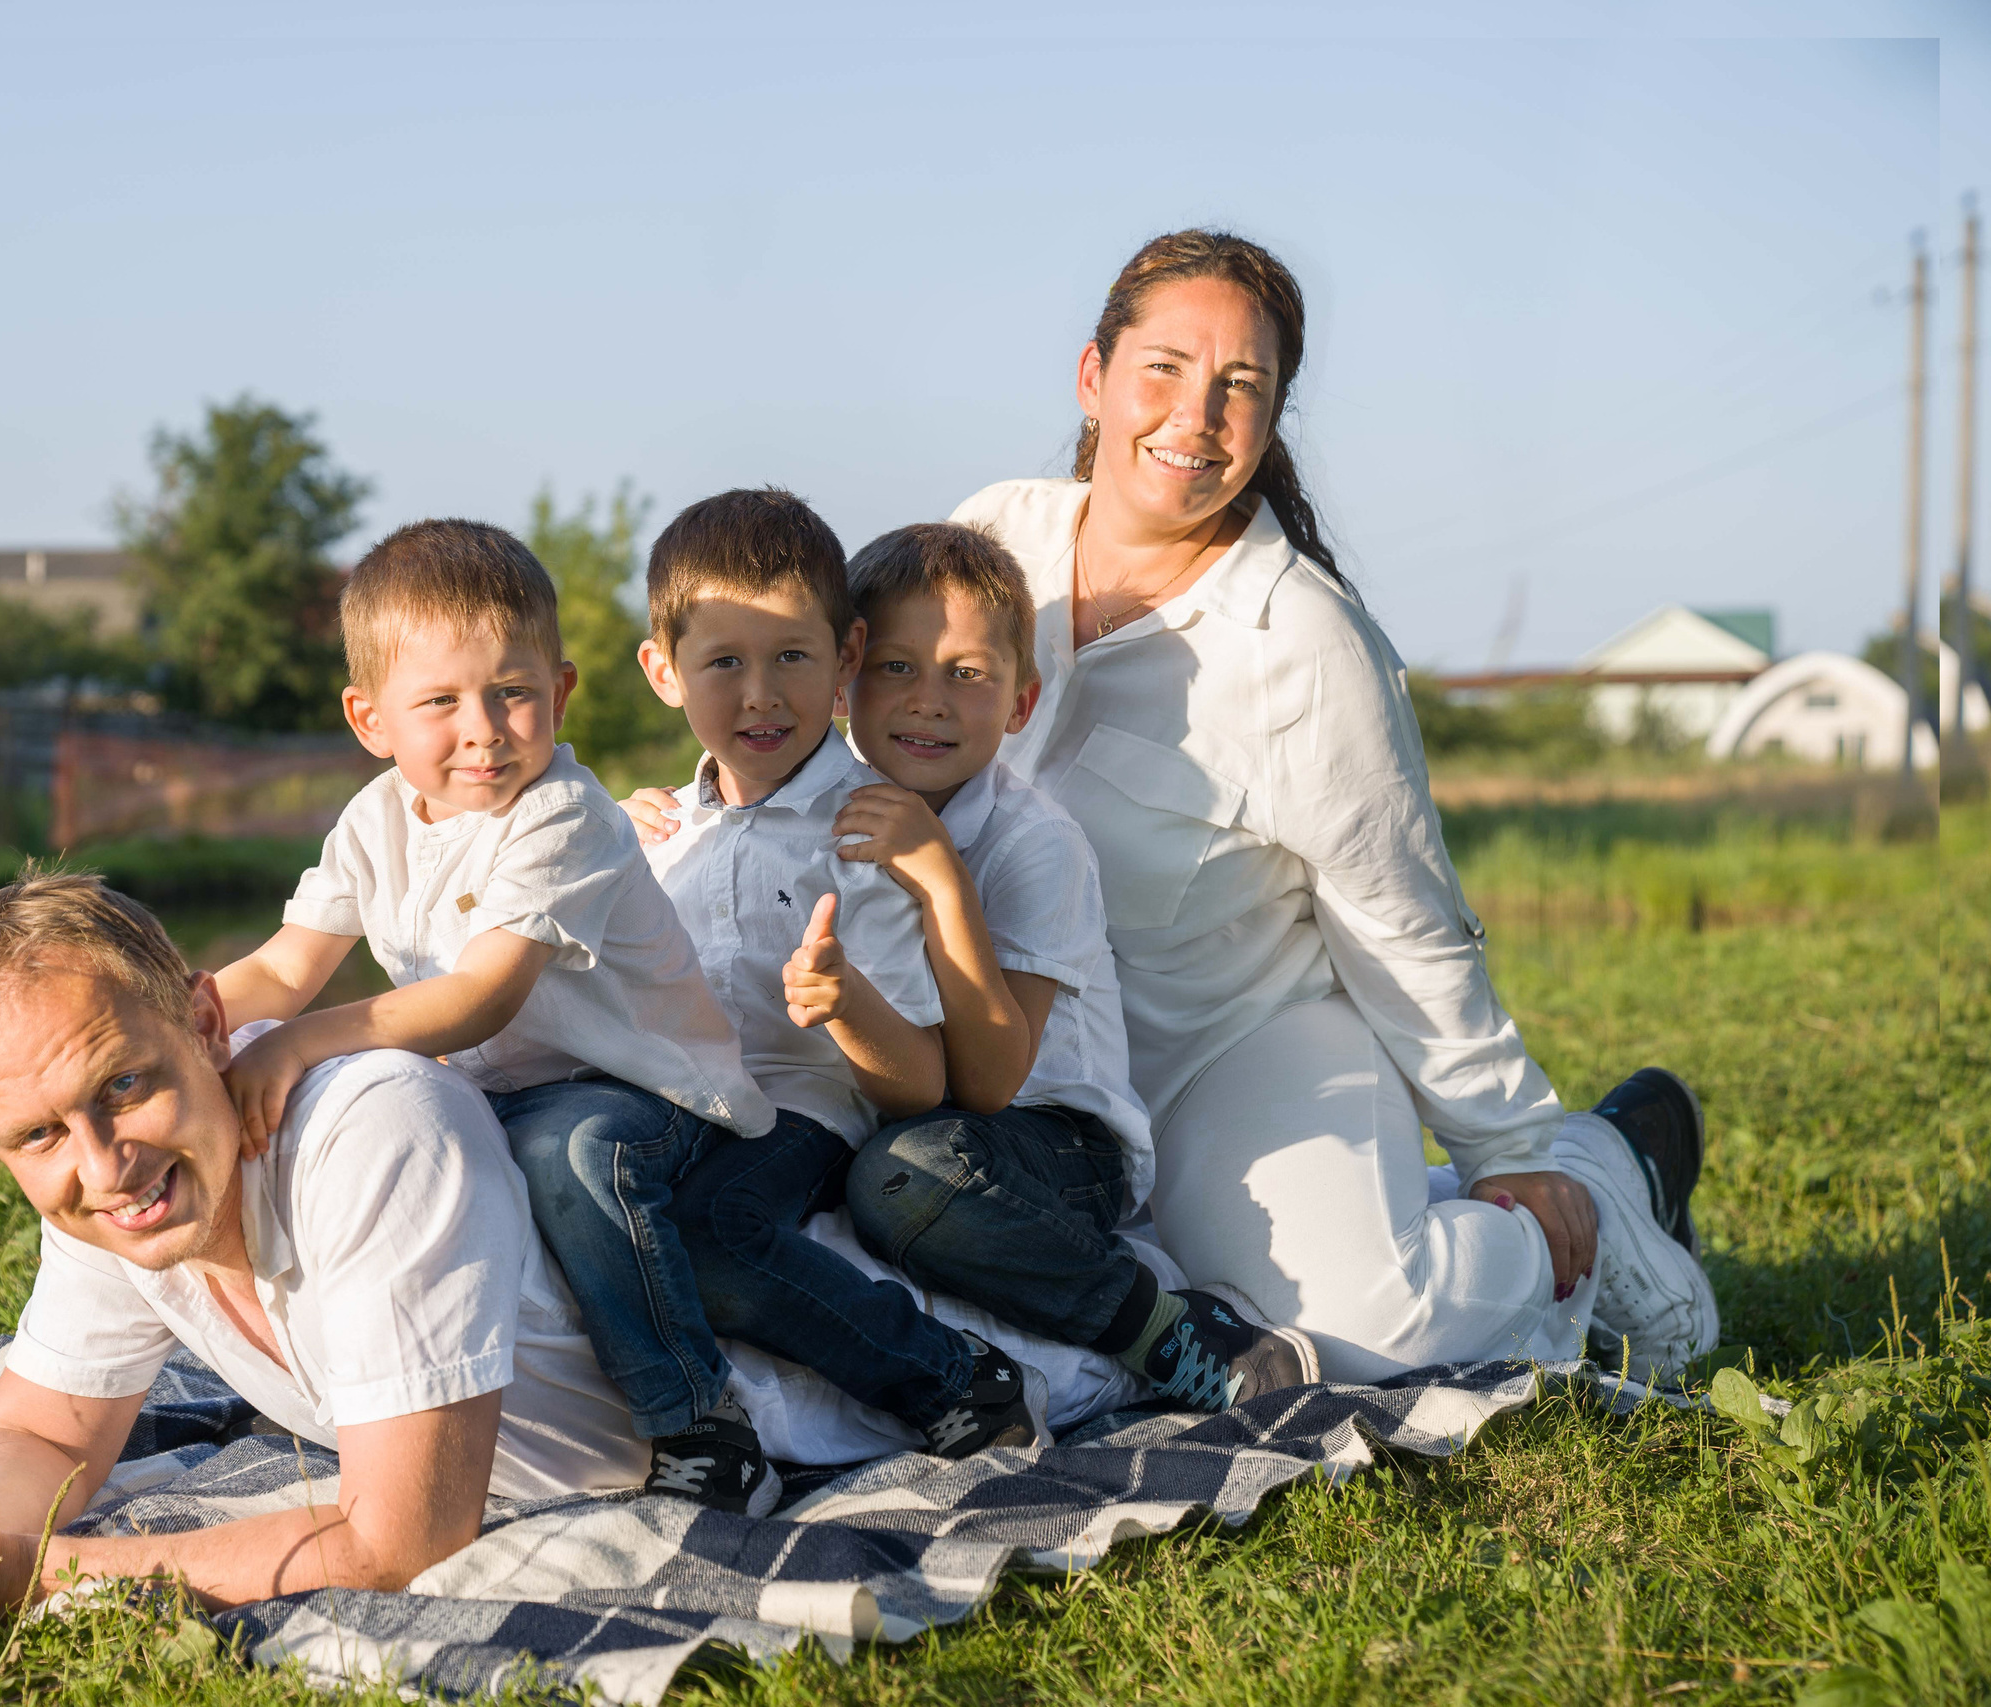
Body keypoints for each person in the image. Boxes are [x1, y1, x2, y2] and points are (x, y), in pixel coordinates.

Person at [950, 229, 1715, 1384]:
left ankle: (1588, 1198)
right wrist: (708, 805)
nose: (1195, 415)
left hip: (1230, 1048)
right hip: (1018, 1061)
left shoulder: (1308, 647)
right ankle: (1440, 1199)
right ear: (1091, 378)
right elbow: (852, 716)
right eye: (1162, 368)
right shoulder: (991, 538)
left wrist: (1509, 1146)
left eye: (1239, 386)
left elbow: (1400, 914)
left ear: (1270, 420)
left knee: (1362, 1330)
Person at [0, 871, 651, 1624]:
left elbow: (402, 1543)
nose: (103, 1165)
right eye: (38, 1134)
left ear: (206, 1024)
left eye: (123, 1084)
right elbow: (46, 1432)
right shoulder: (117, 1194)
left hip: (716, 1447)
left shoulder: (377, 1129)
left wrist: (21, 1569)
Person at [209, 519, 789, 1515]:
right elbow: (284, 965)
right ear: (370, 719)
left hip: (642, 1092)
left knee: (565, 1160)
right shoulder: (375, 818)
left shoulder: (562, 815)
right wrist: (175, 1023)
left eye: (509, 694)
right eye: (438, 702)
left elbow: (483, 998)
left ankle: (697, 1419)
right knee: (329, 1129)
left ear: (557, 693)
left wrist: (302, 1041)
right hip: (501, 1091)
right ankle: (348, 1379)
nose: (481, 728)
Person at [827, 522, 1317, 1409]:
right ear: (843, 680)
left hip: (1053, 1140)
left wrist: (943, 876)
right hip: (907, 1106)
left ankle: (1162, 1328)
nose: (928, 699)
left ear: (1020, 703)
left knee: (902, 1179)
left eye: (967, 674)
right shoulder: (828, 804)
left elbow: (988, 1079)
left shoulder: (1035, 844)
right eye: (897, 666)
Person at [631, 488, 1041, 1459]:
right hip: (681, 1107)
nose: (760, 695)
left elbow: (922, 1089)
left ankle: (952, 1376)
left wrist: (844, 1000)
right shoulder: (655, 832)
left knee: (710, 1237)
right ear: (662, 671)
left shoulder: (870, 829)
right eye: (723, 663)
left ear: (845, 659)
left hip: (800, 1115)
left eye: (792, 660)